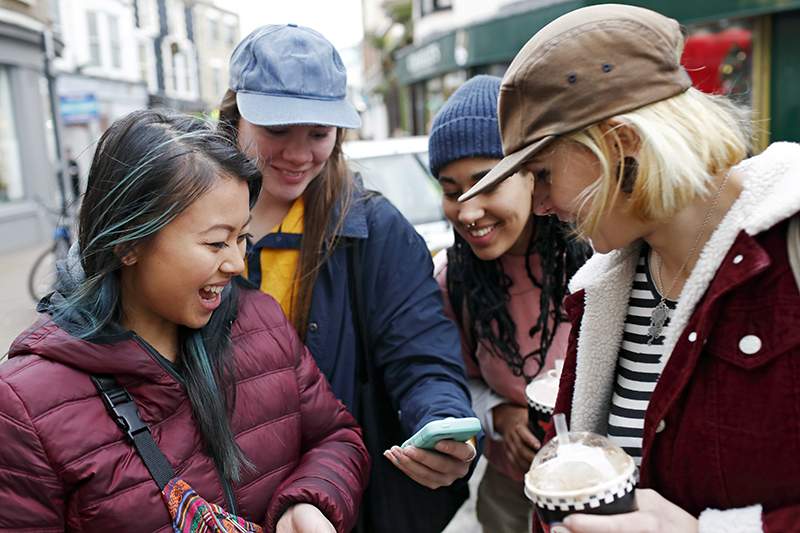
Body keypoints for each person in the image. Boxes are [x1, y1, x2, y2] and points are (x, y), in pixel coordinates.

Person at [462, 4, 800, 533]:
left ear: (621, 143)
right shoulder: (605, 286)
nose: (542, 204)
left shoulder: (788, 249)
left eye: (543, 174)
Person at [0, 109, 370, 533]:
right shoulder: (23, 405)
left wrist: (307, 503)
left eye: (242, 237)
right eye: (216, 242)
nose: (236, 262)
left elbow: (336, 437)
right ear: (128, 243)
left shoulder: (260, 319)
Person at [219, 24, 481, 533]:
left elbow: (421, 352)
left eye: (319, 133)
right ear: (234, 117)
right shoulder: (185, 220)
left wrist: (442, 423)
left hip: (342, 502)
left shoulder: (376, 230)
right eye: (277, 129)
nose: (299, 155)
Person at [428, 75, 592, 533]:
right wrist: (499, 414)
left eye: (487, 183)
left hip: (599, 487)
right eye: (450, 189)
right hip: (508, 495)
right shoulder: (451, 283)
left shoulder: (598, 257)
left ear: (532, 175)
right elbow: (456, 382)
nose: (468, 210)